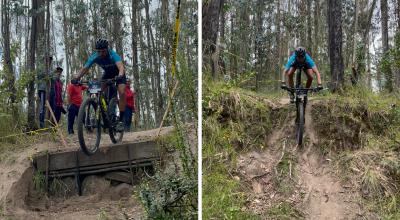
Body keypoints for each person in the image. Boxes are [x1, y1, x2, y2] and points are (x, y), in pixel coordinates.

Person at [75, 38, 126, 132]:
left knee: (122, 92)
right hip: (108, 74)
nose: (101, 53)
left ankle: (121, 120)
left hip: (119, 74)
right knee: (98, 91)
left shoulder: (113, 54)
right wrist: (76, 78)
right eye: (99, 51)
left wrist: (119, 75)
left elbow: (121, 67)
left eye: (103, 51)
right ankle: (103, 110)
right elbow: (85, 68)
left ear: (107, 49)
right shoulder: (95, 56)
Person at [37, 56, 52, 128]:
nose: (48, 62)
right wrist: (46, 73)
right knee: (42, 107)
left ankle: (46, 123)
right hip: (42, 90)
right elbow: (38, 76)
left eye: (50, 61)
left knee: (47, 107)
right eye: (47, 60)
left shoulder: (50, 70)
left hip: (48, 91)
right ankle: (41, 124)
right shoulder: (41, 68)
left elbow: (52, 77)